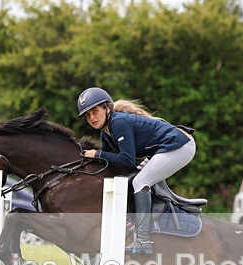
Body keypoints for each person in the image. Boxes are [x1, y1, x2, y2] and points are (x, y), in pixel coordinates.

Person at [77, 87, 195, 255]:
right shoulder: (106, 133)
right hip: (164, 148)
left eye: (94, 111)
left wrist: (97, 153)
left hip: (181, 145)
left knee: (141, 181)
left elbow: (127, 160)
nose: (91, 118)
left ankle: (143, 240)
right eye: (87, 115)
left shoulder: (119, 122)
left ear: (107, 107)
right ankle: (131, 226)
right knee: (135, 178)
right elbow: (107, 164)